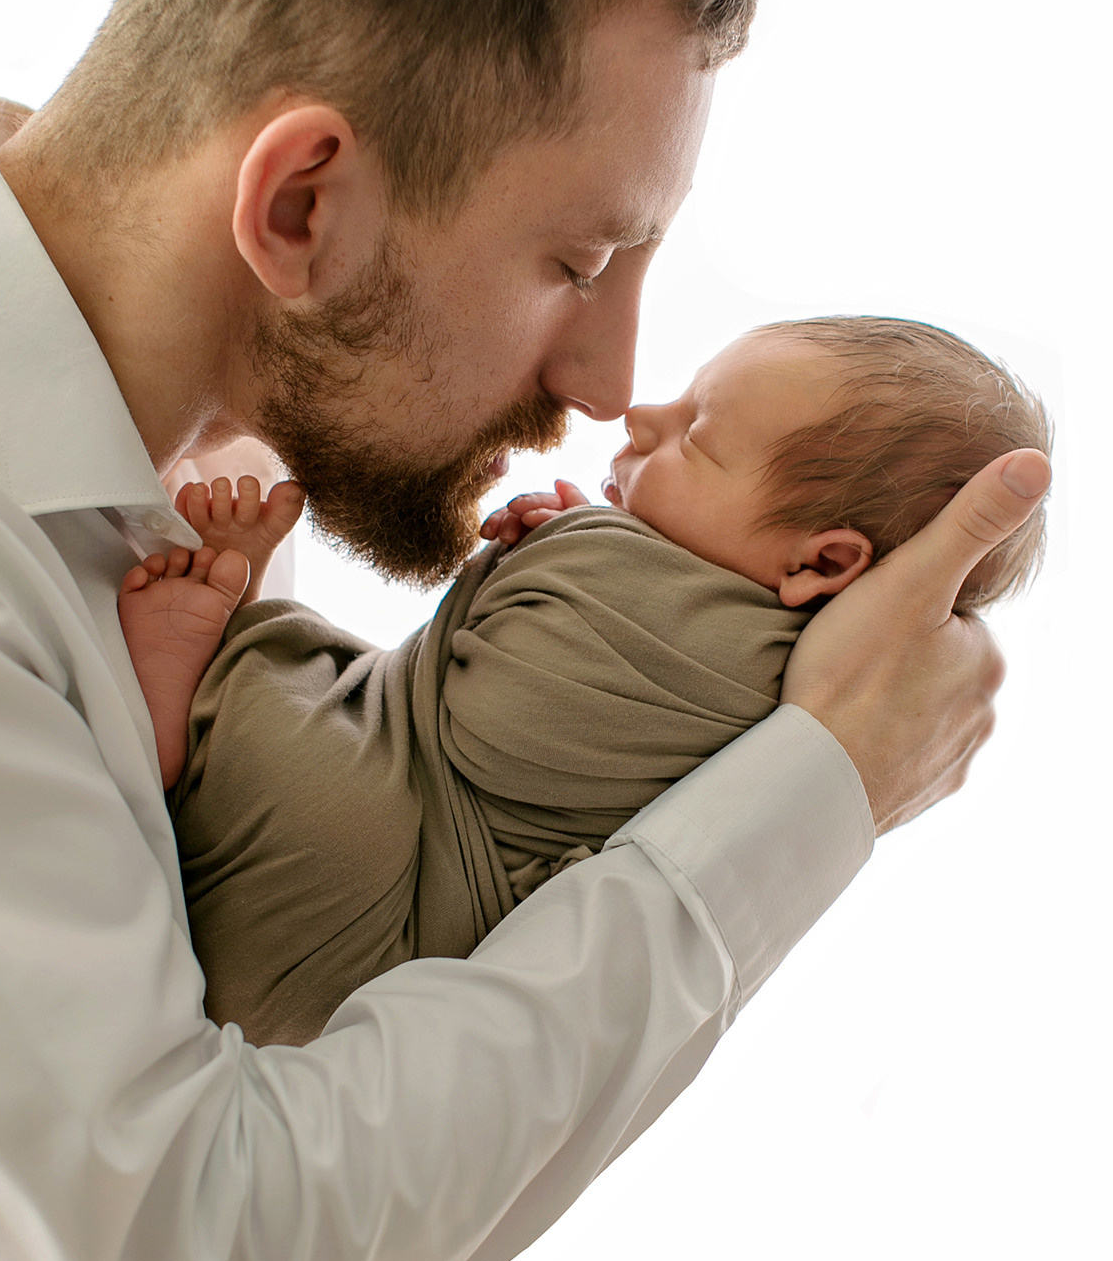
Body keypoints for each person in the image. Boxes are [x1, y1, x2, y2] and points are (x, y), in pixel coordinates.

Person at [0, 0, 1048, 1261]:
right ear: (301, 206)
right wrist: (809, 789)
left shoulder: (162, 491)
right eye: (575, 259)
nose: (607, 383)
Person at [115, 316, 1052, 1047]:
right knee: (351, 705)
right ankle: (226, 662)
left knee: (325, 776)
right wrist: (545, 565)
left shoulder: (754, 670)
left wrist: (552, 557)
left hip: (352, 924)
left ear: (823, 564)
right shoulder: (772, 662)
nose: (642, 416)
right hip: (385, 921)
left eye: (698, 436)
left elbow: (502, 718)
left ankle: (194, 695)